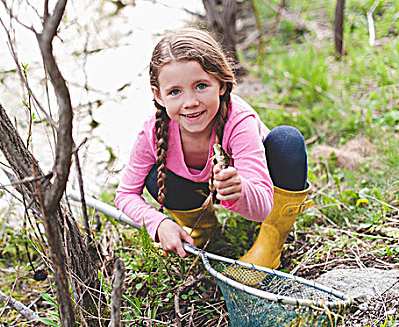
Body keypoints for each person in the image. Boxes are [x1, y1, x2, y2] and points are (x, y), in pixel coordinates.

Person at [115, 28, 312, 268]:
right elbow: (125, 194)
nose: (190, 102)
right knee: (155, 179)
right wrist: (159, 223)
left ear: (221, 83)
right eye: (175, 91)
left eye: (201, 86)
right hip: (198, 190)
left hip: (251, 186)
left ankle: (270, 241)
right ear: (158, 95)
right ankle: (202, 232)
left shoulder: (239, 122)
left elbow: (261, 207)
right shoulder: (153, 132)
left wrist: (240, 189)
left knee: (287, 141)